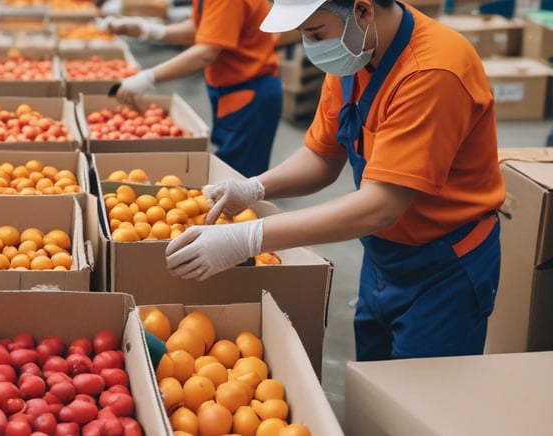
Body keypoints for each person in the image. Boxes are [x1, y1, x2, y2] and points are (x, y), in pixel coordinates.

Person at [165, 0, 505, 361]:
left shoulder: (433, 71)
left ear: (362, 10)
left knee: (420, 394)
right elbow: (322, 156)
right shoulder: (355, 52)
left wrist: (248, 237)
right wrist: (256, 187)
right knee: (374, 384)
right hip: (384, 257)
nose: (311, 46)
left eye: (315, 34)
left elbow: (381, 206)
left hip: (444, 266)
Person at [99, 0, 283, 178]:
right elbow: (201, 29)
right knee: (230, 169)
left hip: (249, 91)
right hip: (233, 89)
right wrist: (150, 30)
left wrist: (148, 78)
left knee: (238, 176)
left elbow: (205, 53)